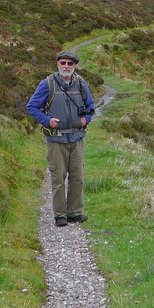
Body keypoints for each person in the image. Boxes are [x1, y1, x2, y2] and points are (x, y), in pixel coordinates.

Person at [26, 49, 96, 227]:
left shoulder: (81, 83)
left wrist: (85, 119)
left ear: (74, 66)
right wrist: (47, 120)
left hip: (77, 138)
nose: (66, 66)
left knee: (77, 177)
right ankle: (60, 216)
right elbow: (32, 106)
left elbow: (91, 107)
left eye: (70, 63)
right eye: (63, 63)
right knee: (58, 179)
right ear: (57, 64)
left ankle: (75, 213)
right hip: (56, 140)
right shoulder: (47, 84)